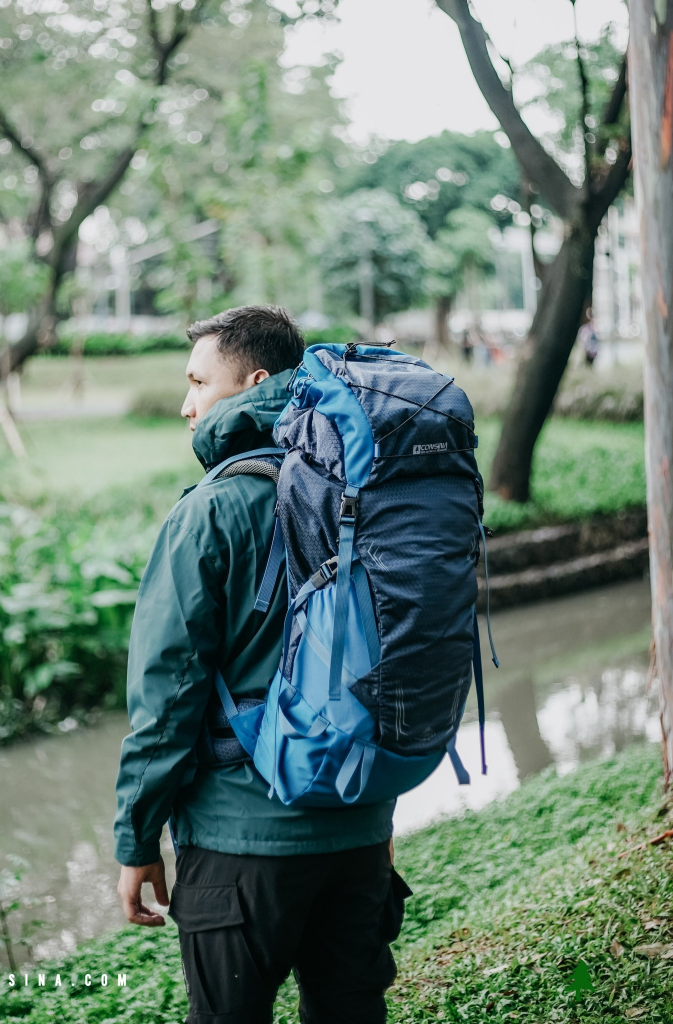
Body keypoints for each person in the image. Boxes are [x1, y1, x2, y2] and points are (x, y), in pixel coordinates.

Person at [113, 305, 410, 1024]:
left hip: (243, 842)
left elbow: (166, 694)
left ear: (254, 382)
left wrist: (136, 838)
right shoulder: (369, 495)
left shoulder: (212, 510)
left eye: (198, 383)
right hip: (360, 832)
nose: (187, 406)